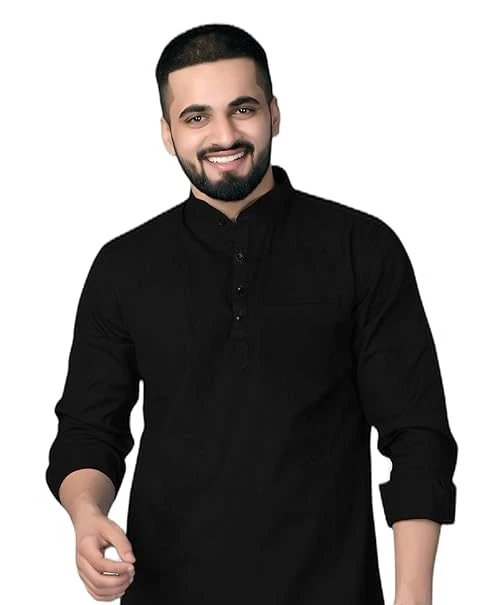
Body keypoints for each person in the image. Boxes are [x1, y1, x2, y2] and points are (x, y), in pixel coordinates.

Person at [45, 23, 458, 605]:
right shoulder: (123, 267)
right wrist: (87, 514)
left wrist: (413, 597)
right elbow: (89, 431)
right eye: (196, 117)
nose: (224, 135)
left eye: (243, 109)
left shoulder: (361, 249)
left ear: (274, 113)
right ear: (167, 134)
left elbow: (417, 435)